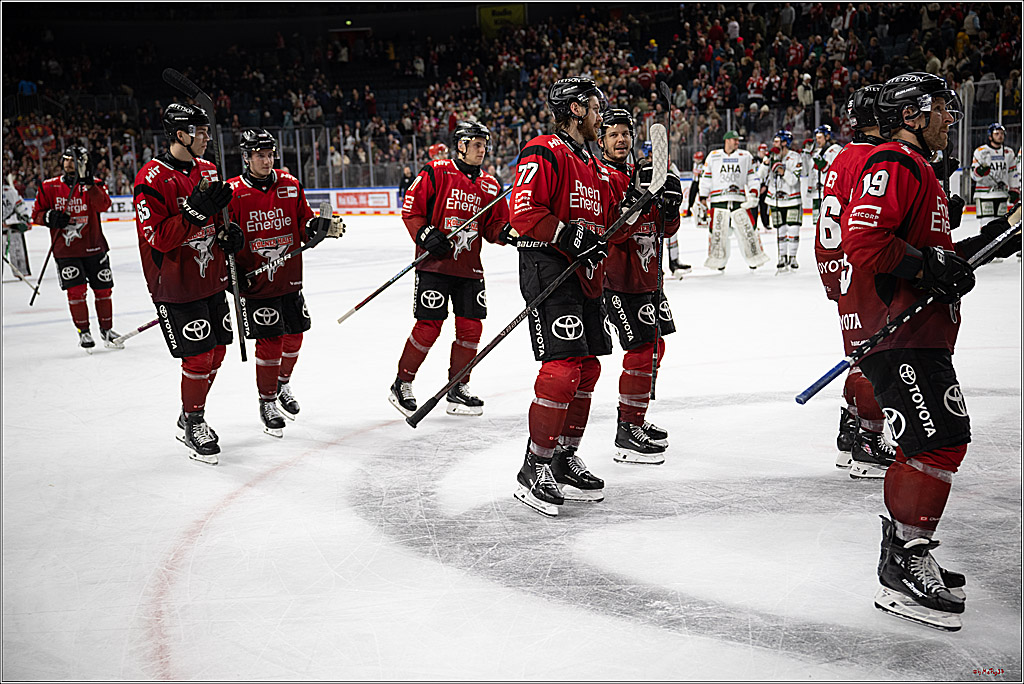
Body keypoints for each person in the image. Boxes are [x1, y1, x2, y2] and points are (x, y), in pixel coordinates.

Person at [842, 72, 1019, 631]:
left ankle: (905, 549)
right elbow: (866, 242)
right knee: (939, 439)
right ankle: (905, 560)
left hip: (916, 334)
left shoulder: (921, 171)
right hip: (897, 335)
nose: (951, 117)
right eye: (943, 108)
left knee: (937, 438)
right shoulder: (895, 163)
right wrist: (929, 268)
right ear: (913, 116)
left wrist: (1000, 234)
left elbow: (937, 258)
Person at [507, 77, 623, 516]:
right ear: (575, 109)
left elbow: (615, 224)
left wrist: (655, 203)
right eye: (595, 108)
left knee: (588, 368)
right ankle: (533, 466)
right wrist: (570, 235)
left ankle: (562, 455)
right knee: (562, 369)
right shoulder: (544, 150)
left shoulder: (593, 165)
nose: (601, 116)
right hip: (549, 266)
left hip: (586, 274)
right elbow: (524, 212)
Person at [133, 103, 243, 465]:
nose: (207, 137)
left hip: (211, 276)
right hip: (175, 283)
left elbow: (218, 220)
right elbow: (159, 238)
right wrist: (193, 214)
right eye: (201, 131)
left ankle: (189, 410)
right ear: (181, 135)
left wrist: (230, 235)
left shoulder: (208, 169)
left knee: (219, 351)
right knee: (197, 357)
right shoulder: (151, 178)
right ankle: (193, 422)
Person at [228, 128, 345, 437]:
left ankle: (281, 385)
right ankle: (267, 402)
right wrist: (230, 273)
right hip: (255, 283)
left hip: (289, 277)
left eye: (270, 155)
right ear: (246, 157)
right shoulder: (233, 192)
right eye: (260, 156)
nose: (267, 161)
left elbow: (304, 223)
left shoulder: (291, 185)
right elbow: (223, 240)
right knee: (271, 342)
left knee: (295, 336)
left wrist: (317, 228)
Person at [388, 120, 509, 418]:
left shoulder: (491, 184)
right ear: (461, 145)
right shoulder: (437, 171)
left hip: (469, 269)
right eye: (477, 144)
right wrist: (426, 234)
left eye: (485, 144)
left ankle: (458, 387)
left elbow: (493, 226)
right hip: (435, 266)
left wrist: (508, 232)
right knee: (429, 327)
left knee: (471, 329)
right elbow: (412, 208)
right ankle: (402, 383)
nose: (482, 150)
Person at [813, 84, 897, 474]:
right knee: (874, 360)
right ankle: (867, 439)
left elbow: (827, 223)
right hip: (867, 271)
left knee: (860, 356)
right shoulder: (877, 159)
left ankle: (850, 434)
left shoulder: (843, 157)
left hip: (844, 270)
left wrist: (833, 280)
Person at [596, 108, 682, 465]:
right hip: (616, 281)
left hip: (647, 280)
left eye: (625, 134)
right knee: (641, 351)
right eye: (613, 134)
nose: (621, 140)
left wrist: (671, 207)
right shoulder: (598, 177)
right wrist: (635, 201)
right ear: (600, 140)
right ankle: (627, 429)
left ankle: (636, 418)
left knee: (655, 348)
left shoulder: (643, 172)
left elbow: (665, 230)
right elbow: (611, 232)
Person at [31, 145, 119, 351]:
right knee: (76, 292)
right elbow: (36, 214)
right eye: (67, 159)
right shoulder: (49, 187)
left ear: (84, 163)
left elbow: (104, 206)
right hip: (66, 251)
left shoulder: (96, 184)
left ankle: (107, 330)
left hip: (95, 247)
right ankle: (84, 332)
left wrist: (90, 186)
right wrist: (49, 217)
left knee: (104, 290)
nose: (69, 163)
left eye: (75, 160)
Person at [697, 130, 769, 270]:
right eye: (734, 139)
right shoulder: (713, 156)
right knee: (717, 232)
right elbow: (706, 177)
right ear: (727, 140)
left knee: (748, 229)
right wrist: (703, 196)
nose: (737, 142)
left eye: (737, 140)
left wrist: (754, 193)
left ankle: (754, 259)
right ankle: (719, 261)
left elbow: (752, 176)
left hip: (739, 199)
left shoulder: (745, 156)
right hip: (719, 199)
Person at [760, 130, 803, 270]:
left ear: (785, 143)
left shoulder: (795, 157)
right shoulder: (771, 156)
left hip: (792, 199)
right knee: (780, 230)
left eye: (777, 141)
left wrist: (782, 171)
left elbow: (793, 180)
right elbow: (760, 175)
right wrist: (766, 162)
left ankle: (792, 257)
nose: (774, 144)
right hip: (774, 199)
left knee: (793, 230)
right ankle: (782, 256)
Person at [970, 123, 1020, 227]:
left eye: (1002, 133)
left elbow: (1013, 173)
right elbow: (973, 174)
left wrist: (1014, 189)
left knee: (1000, 226)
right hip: (984, 194)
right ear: (990, 136)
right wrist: (979, 172)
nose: (1000, 136)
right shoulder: (981, 151)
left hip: (1002, 194)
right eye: (996, 133)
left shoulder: (1009, 152)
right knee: (986, 225)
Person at [808, 124, 843, 225]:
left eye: (820, 138)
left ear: (827, 137)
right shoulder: (817, 151)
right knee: (817, 224)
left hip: (830, 193)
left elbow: (836, 172)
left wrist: (825, 166)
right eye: (816, 138)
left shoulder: (836, 149)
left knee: (830, 223)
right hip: (817, 193)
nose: (817, 140)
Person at [3, 183, 33, 278]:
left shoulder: (10, 191)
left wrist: (24, 217)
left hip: (13, 227)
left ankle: (21, 271)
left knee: (17, 249)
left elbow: (20, 205)